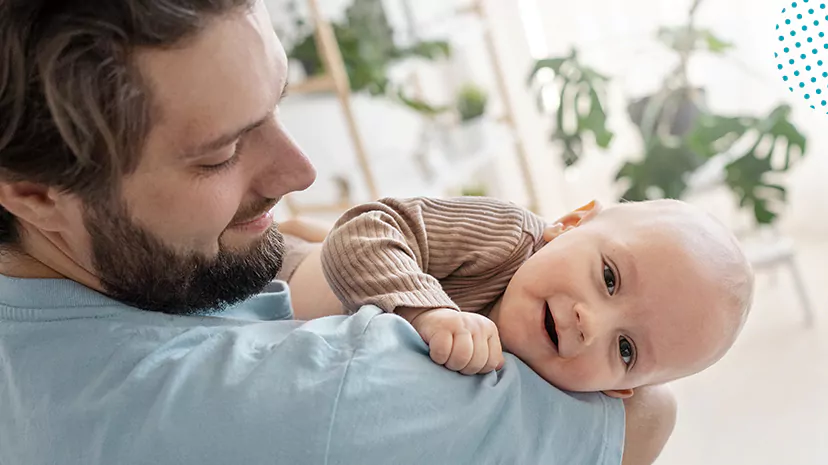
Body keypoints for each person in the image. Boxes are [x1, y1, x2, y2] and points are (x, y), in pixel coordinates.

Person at [0, 1, 676, 464]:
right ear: (34, 193)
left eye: (276, 105)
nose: (299, 170)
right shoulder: (318, 395)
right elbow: (641, 421)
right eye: (219, 154)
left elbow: (296, 247)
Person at [302, 196, 753, 397]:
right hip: (284, 279)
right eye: (610, 278)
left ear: (617, 389)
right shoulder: (506, 237)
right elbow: (365, 228)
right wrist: (428, 311)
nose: (590, 323)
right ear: (569, 224)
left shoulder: (555, 400)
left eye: (626, 348)